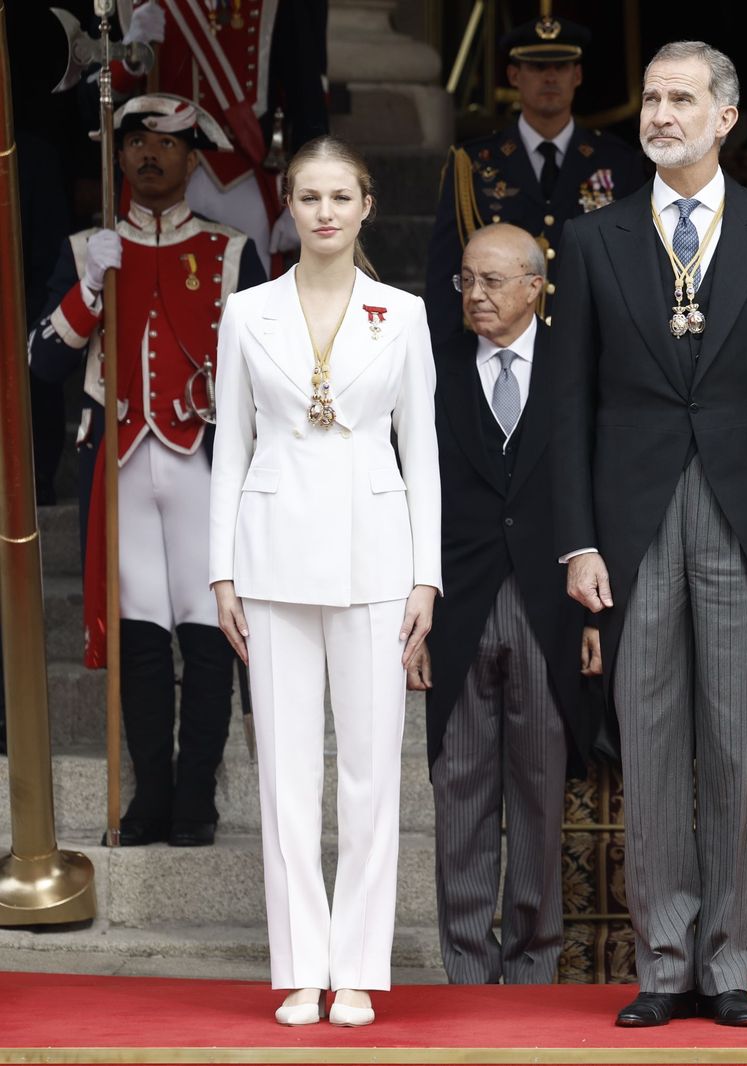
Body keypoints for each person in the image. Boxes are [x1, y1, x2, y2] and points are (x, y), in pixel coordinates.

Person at [549, 40, 747, 1029]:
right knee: (653, 744)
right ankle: (662, 961)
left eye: (682, 99)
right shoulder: (592, 242)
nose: (661, 114)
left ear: (725, 117)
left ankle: (728, 961)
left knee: (742, 747)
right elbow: (568, 408)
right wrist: (577, 541)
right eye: (652, 98)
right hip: (629, 530)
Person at [208, 136, 441, 1027]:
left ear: (366, 204)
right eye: (309, 198)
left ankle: (357, 969)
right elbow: (231, 444)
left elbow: (420, 451)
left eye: (341, 197)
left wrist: (426, 577)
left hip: (380, 556)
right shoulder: (247, 311)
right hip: (268, 555)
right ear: (290, 208)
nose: (326, 213)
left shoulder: (405, 312)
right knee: (288, 775)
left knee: (372, 775)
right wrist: (221, 568)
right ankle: (301, 966)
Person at [28, 93, 265, 848]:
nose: (149, 154)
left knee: (205, 632)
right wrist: (91, 288)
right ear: (119, 154)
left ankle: (196, 799)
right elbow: (42, 362)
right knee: (138, 635)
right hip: (123, 467)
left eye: (167, 143)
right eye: (135, 141)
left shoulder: (231, 252)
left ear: (194, 158)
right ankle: (149, 798)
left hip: (204, 463)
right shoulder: (85, 250)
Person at [413, 222, 593, 984]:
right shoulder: (431, 366)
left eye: (491, 282)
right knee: (459, 795)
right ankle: (465, 968)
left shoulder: (577, 366)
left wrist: (595, 617)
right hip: (455, 607)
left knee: (539, 795)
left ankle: (533, 969)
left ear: (533, 285)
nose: (475, 295)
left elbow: (601, 493)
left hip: (549, 606)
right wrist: (411, 615)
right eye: (465, 281)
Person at [425, 14, 646, 340]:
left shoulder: (617, 161)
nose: (550, 77)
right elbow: (447, 273)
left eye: (561, 66)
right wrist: (444, 368)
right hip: (498, 344)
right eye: (537, 67)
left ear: (578, 75)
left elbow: (636, 268)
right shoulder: (472, 164)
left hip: (590, 345)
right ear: (514, 75)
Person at [112, 0, 332, 275]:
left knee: (255, 305)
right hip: (158, 180)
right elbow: (94, 103)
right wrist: (129, 60)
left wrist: (308, 195)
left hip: (244, 177)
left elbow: (306, 101)